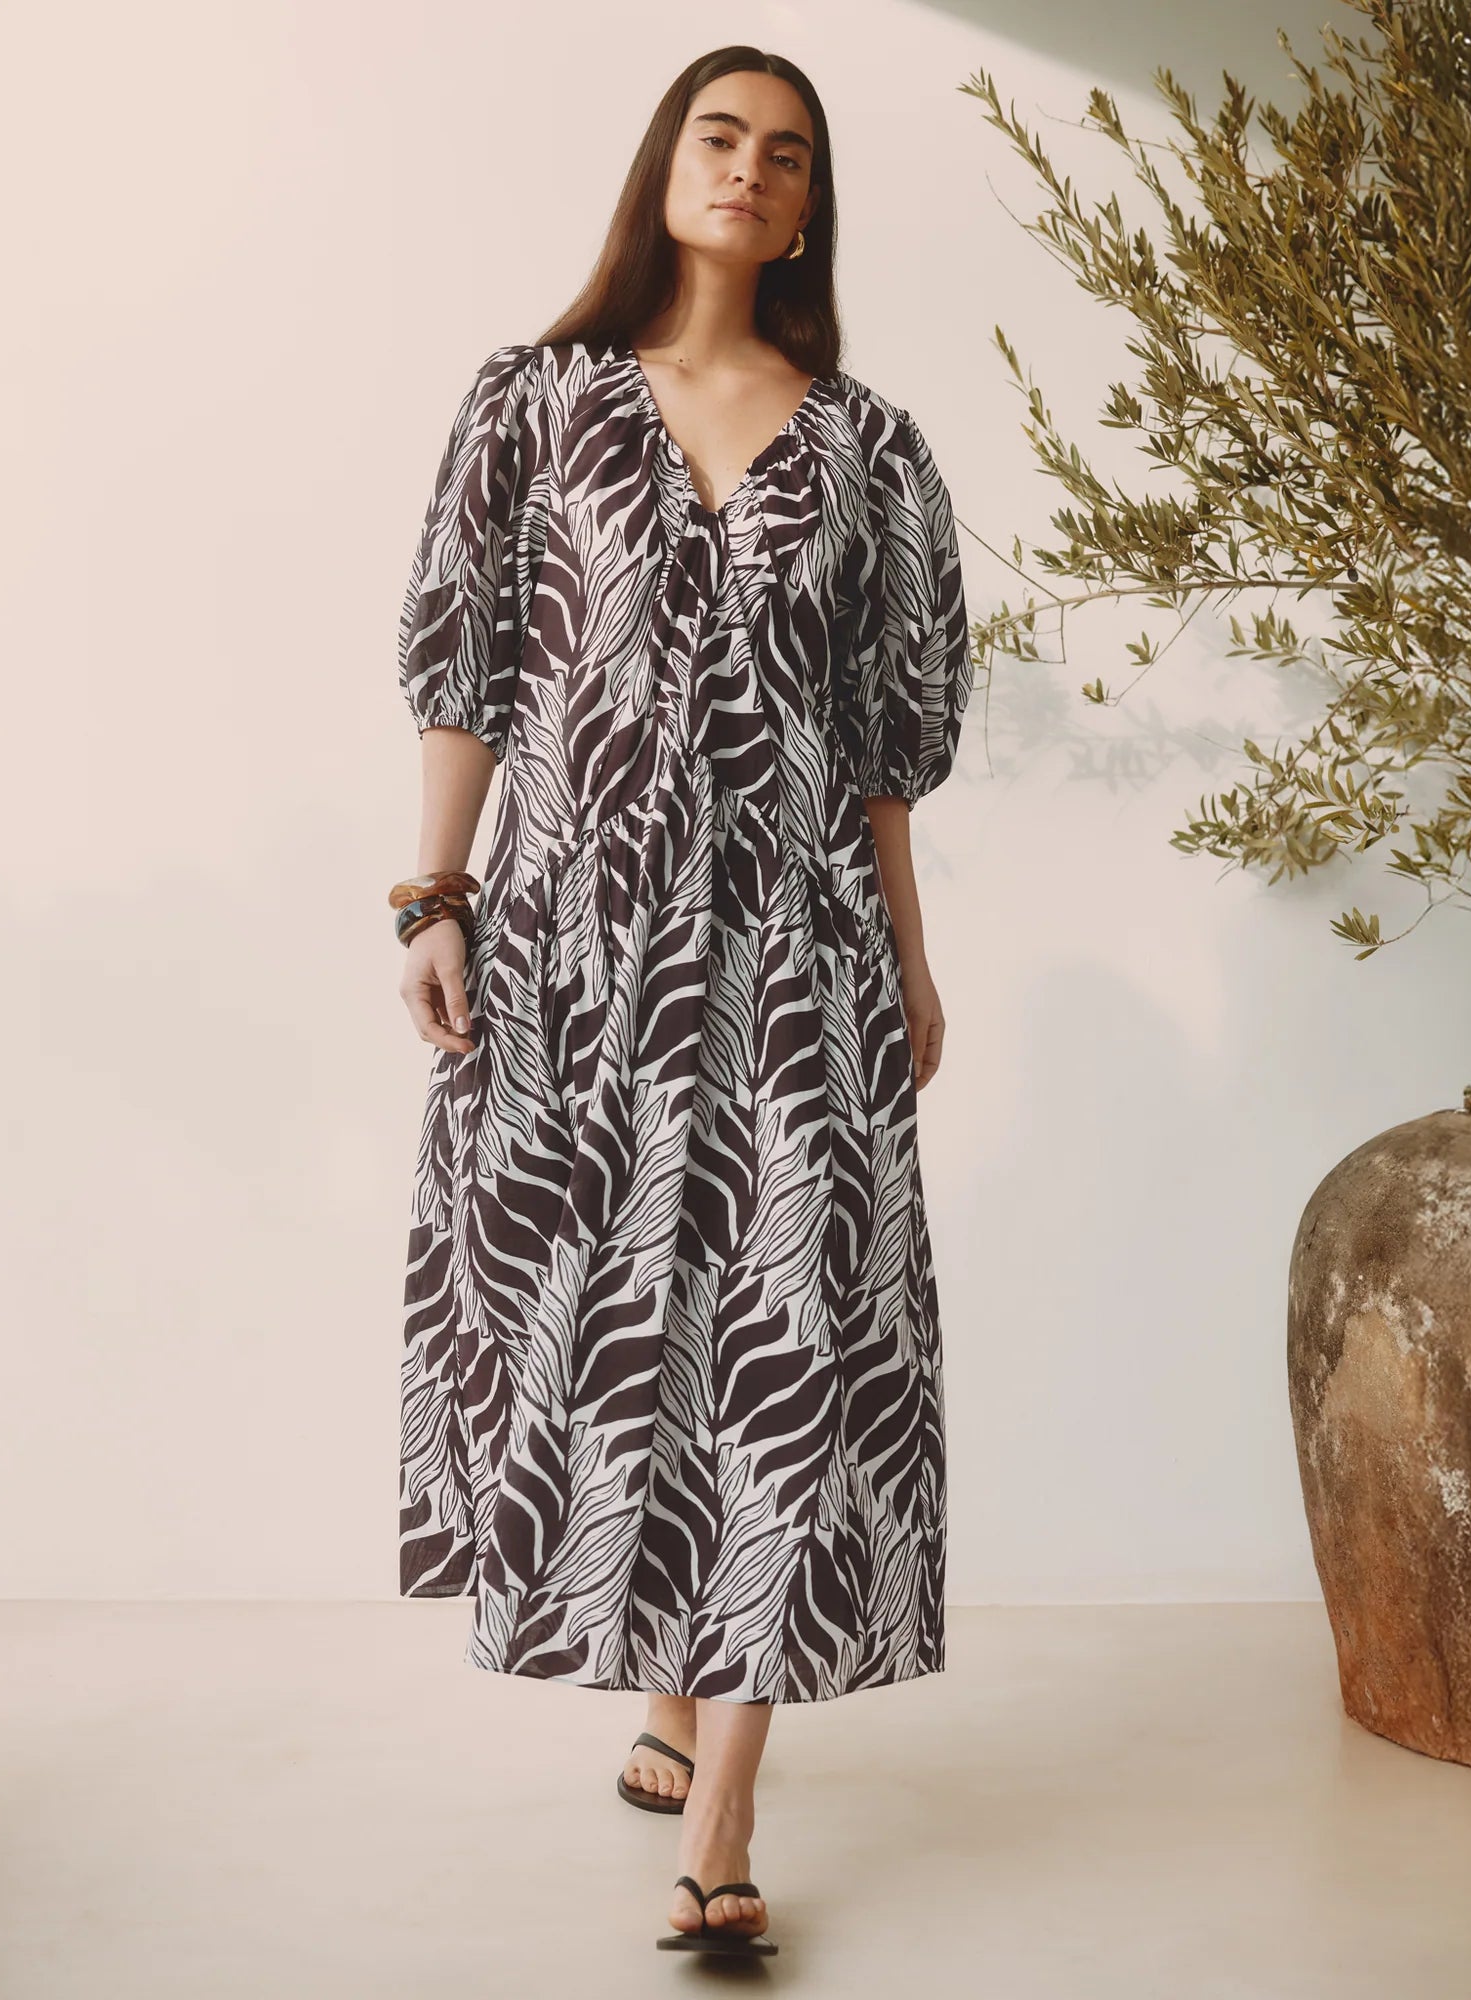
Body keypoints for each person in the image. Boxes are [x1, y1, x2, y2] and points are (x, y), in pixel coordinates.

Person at [390, 44, 972, 1960]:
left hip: (796, 953)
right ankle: (655, 1669)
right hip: (573, 950)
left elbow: (888, 740)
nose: (748, 171)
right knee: (626, 1317)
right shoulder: (534, 407)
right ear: (665, 170)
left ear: (810, 205)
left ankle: (723, 1810)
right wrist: (431, 895)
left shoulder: (872, 450)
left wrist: (907, 950)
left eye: (785, 154)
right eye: (719, 138)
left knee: (794, 1326)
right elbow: (469, 671)